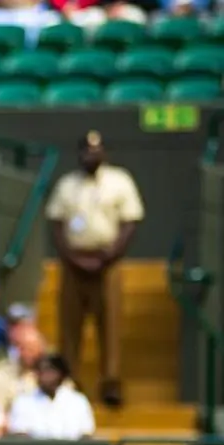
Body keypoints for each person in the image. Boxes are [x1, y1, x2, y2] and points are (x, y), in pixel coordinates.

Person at [45, 131, 143, 407]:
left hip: (106, 262)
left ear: (105, 153)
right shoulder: (66, 185)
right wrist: (71, 257)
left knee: (110, 322)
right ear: (79, 154)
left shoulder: (119, 180)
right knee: (70, 323)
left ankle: (110, 381)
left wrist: (109, 255)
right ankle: (69, 379)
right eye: (86, 150)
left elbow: (130, 222)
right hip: (73, 262)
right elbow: (56, 224)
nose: (91, 155)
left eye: (96, 150)